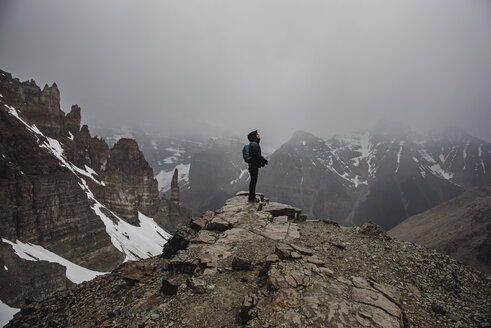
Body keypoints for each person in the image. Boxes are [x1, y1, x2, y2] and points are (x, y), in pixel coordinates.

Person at [247, 130, 268, 202]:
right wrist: (264, 160)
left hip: (252, 166)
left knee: (253, 181)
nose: (259, 135)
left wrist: (261, 162)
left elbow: (255, 156)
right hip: (253, 167)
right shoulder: (254, 144)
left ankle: (252, 197)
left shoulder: (253, 144)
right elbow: (257, 155)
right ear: (254, 136)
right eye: (257, 134)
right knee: (253, 182)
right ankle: (251, 198)